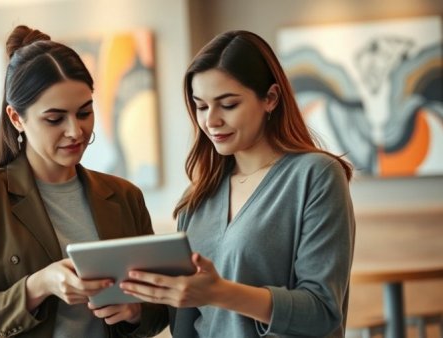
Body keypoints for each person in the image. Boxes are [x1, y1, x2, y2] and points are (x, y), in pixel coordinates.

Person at [120, 30, 356, 337]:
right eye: (201, 106)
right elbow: (186, 323)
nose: (211, 121)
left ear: (270, 98)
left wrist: (219, 292)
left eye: (228, 104)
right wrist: (137, 310)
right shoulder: (198, 196)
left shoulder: (315, 175)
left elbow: (322, 311)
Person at [0, 25, 167, 338]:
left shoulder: (125, 196)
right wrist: (38, 286)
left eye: (85, 112)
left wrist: (135, 311)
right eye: (54, 118)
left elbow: (158, 310)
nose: (75, 131)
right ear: (17, 118)